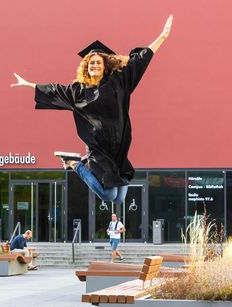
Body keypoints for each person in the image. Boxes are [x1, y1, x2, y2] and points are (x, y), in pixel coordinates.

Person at [11, 15, 173, 205]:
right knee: (108, 195)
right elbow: (55, 90)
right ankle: (75, 164)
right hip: (99, 149)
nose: (95, 65)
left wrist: (162, 37)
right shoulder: (79, 91)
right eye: (91, 63)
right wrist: (28, 84)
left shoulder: (119, 81)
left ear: (105, 66)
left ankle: (80, 163)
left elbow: (140, 61)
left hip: (118, 147)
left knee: (119, 199)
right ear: (86, 67)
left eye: (98, 62)